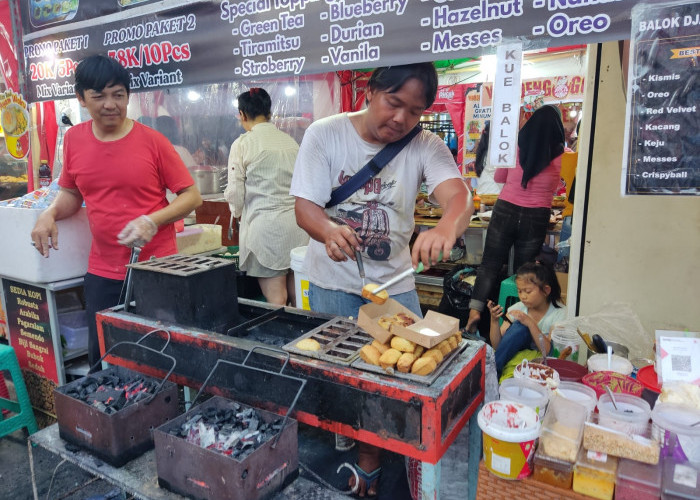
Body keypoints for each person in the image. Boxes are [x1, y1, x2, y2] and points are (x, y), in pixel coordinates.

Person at [290, 63, 472, 498]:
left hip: (396, 286)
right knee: (342, 381)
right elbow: (304, 208)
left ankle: (379, 464)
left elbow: (459, 196)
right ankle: (351, 453)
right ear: (370, 91)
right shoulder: (325, 134)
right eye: (394, 103)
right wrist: (329, 231)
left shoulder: (424, 144)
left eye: (415, 111)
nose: (401, 119)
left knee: (397, 384)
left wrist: (447, 227)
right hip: (333, 284)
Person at [30, 55, 202, 367]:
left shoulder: (153, 142)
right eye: (99, 96)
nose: (110, 104)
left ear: (128, 96)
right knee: (105, 356)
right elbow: (71, 193)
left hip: (156, 269)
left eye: (118, 95)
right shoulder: (74, 140)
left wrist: (153, 220)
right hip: (102, 269)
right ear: (81, 98)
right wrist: (50, 214)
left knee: (157, 357)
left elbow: (191, 196)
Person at [466, 105, 566, 333]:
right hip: (536, 216)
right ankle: (513, 324)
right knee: (523, 271)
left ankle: (474, 314)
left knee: (489, 265)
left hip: (505, 209)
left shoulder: (516, 145)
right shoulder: (559, 155)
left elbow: (500, 176)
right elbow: (555, 186)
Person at [224, 88, 309, 305]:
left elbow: (235, 192)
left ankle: (280, 341)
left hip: (267, 232)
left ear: (242, 114)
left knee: (276, 299)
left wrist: (237, 213)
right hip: (297, 228)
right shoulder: (290, 142)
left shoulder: (243, 143)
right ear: (269, 113)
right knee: (297, 298)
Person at [487, 261, 567, 375]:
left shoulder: (559, 314)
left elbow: (549, 353)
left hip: (541, 364)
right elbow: (498, 346)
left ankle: (493, 370)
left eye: (528, 291)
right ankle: (494, 370)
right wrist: (494, 320)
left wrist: (529, 323)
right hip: (513, 358)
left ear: (546, 290)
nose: (523, 296)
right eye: (519, 291)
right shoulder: (518, 309)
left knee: (522, 326)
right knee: (519, 327)